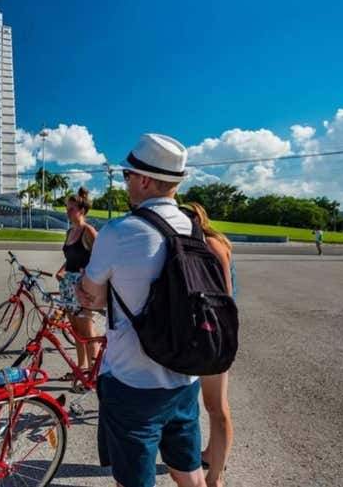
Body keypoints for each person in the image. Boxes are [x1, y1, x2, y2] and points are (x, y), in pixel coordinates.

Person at [76, 133, 206, 487]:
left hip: (132, 380)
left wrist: (87, 290)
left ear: (145, 179)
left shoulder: (119, 232)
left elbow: (93, 298)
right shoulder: (195, 230)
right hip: (184, 377)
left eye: (127, 176)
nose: (127, 183)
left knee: (133, 480)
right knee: (189, 470)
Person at [182, 202, 235, 487]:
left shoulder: (211, 244)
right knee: (205, 403)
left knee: (216, 405)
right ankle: (209, 455)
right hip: (203, 331)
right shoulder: (199, 242)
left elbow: (224, 295)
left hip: (213, 332)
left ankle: (216, 477)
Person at [54, 187, 99, 379]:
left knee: (87, 331)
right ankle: (81, 369)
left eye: (71, 209)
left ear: (82, 211)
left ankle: (95, 374)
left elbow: (102, 258)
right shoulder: (70, 231)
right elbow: (72, 257)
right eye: (67, 208)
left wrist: (87, 276)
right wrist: (62, 269)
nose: (68, 212)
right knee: (75, 331)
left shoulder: (88, 231)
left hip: (82, 287)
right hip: (68, 286)